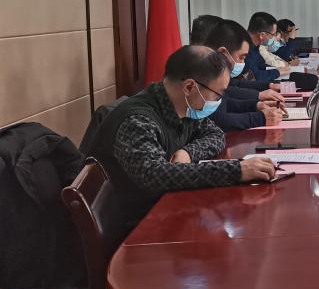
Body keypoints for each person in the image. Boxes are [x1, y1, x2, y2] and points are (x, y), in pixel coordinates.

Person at [83, 46, 278, 240]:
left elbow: (216, 134)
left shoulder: (182, 106)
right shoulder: (137, 121)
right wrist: (237, 170)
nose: (218, 101)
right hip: (134, 232)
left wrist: (189, 152)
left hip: (162, 212)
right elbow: (155, 176)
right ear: (189, 87)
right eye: (217, 95)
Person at [201, 19, 286, 131]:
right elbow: (214, 120)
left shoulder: (215, 73)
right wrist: (260, 117)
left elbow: (225, 103)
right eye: (241, 57)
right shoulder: (201, 76)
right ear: (223, 53)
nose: (243, 63)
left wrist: (255, 105)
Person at [245, 12, 282, 81]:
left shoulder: (256, 46)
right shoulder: (243, 47)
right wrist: (278, 72)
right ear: (262, 35)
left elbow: (261, 65)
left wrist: (278, 69)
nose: (273, 38)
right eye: (273, 35)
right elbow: (254, 77)